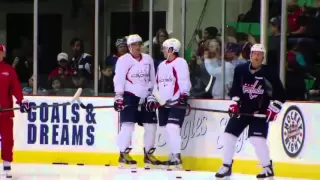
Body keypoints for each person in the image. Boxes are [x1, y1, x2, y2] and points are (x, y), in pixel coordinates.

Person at [215, 44, 286, 179]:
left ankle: (267, 168)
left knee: (257, 139)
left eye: (259, 54)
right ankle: (226, 166)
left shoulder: (269, 72)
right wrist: (234, 103)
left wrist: (274, 108)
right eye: (254, 53)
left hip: (260, 112)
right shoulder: (241, 69)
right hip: (242, 110)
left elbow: (281, 95)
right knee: (228, 136)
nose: (257, 56)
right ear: (250, 55)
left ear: (263, 57)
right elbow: (235, 89)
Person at [113, 34, 161, 169]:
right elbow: (119, 79)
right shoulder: (123, 60)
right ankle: (123, 153)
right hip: (129, 95)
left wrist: (152, 95)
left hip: (146, 96)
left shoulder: (148, 59)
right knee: (127, 125)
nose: (137, 47)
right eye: (134, 45)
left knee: (151, 125)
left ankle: (148, 154)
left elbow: (153, 79)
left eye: (139, 44)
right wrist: (118, 96)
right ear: (128, 47)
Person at [146, 38, 191, 169]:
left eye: (165, 48)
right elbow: (157, 84)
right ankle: (172, 156)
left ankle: (177, 158)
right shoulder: (161, 65)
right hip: (163, 104)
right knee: (165, 129)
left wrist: (184, 94)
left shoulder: (180, 62)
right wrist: (154, 99)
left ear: (171, 50)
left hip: (176, 102)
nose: (163, 51)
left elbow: (184, 80)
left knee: (172, 127)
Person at [0, 44, 31, 178]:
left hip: (5, 112)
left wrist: (22, 101)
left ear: (3, 54)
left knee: (7, 139)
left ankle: (7, 164)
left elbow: (16, 88)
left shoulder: (9, 70)